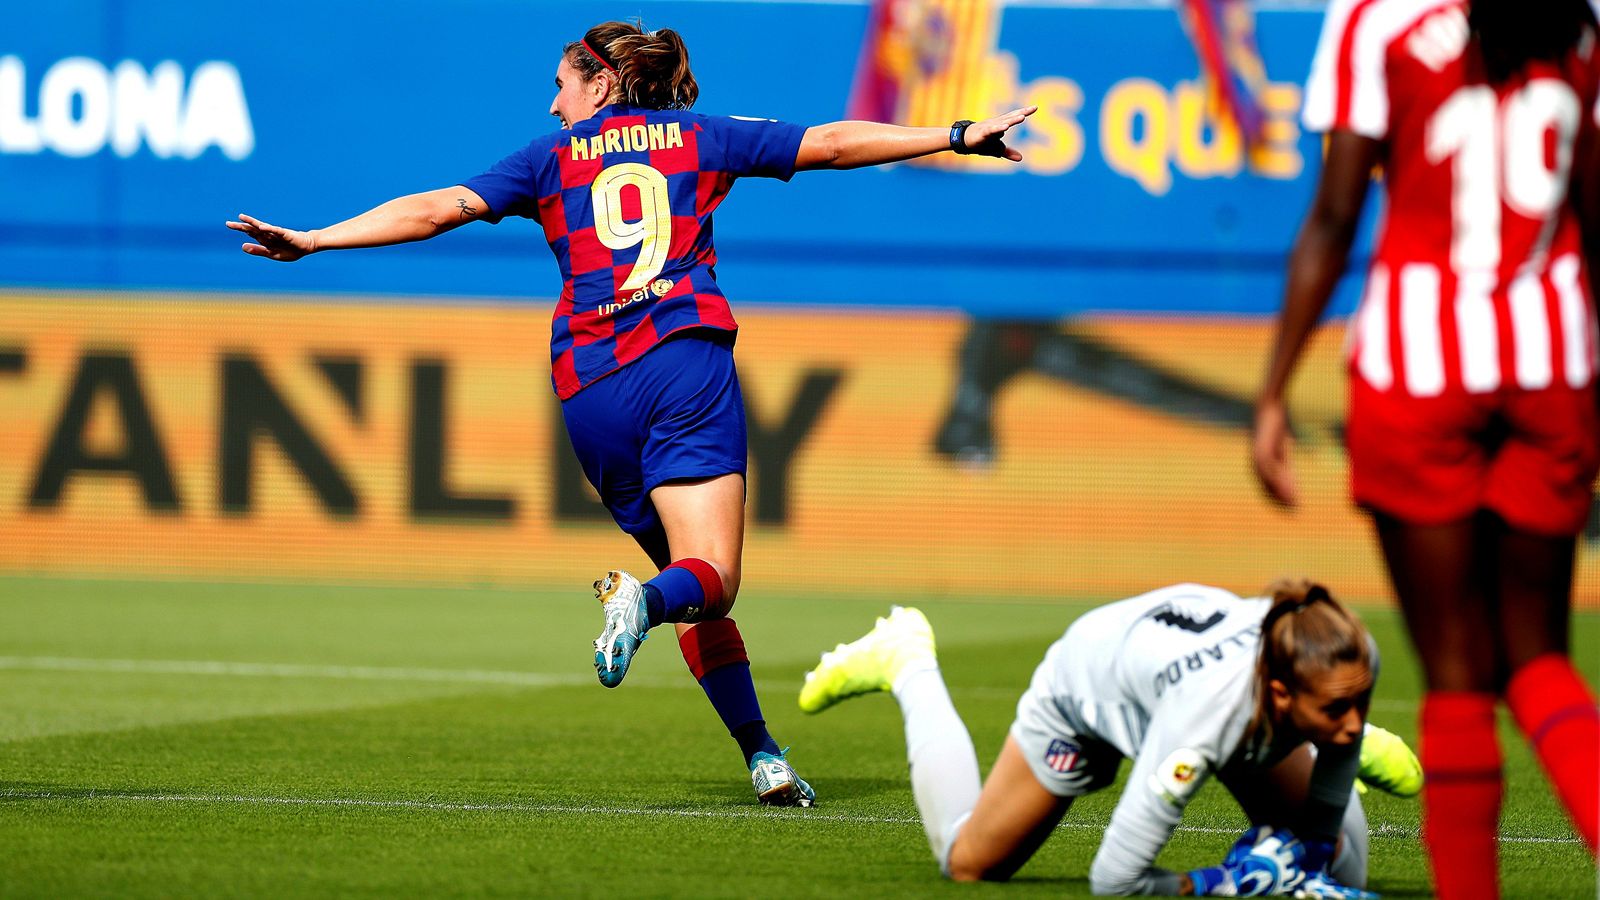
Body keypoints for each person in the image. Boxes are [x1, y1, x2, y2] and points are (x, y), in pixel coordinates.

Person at [227, 20, 1035, 807]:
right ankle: (641, 604)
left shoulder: (548, 160)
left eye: (560, 86)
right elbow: (828, 144)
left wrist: (317, 240)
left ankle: (763, 757)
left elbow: (437, 208)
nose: (552, 106)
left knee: (691, 583)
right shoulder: (698, 138)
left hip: (590, 395)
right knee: (705, 583)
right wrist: (956, 134)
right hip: (680, 365)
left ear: (602, 81)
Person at [1250, 0, 1600, 894]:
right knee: (1541, 659)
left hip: (1420, 368)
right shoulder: (1578, 22)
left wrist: (1273, 390)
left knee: (1454, 670)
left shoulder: (1376, 18)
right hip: (1551, 362)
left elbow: (1332, 219)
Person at [799, 580, 1423, 896]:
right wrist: (1224, 882)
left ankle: (1304, 738)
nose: (1351, 719)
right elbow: (1115, 880)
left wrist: (1301, 861)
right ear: (1284, 695)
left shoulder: (1342, 647)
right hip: (1088, 684)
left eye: (1355, 710)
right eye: (1338, 712)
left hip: (1213, 680)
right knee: (969, 861)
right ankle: (907, 661)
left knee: (1343, 865)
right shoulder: (1197, 727)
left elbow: (1324, 862)